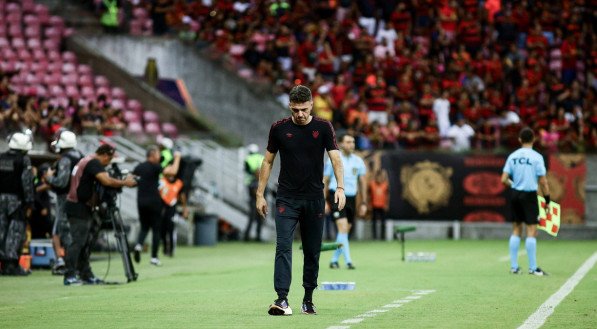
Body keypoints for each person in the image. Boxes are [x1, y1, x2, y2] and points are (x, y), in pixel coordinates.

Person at [256, 85, 346, 316]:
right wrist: (260, 194)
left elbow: (335, 158)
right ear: (290, 106)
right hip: (286, 198)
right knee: (283, 246)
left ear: (311, 104)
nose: (300, 114)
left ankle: (308, 299)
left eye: (304, 109)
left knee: (312, 251)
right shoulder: (278, 129)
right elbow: (267, 162)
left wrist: (341, 188)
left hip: (314, 199)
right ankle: (282, 299)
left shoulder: (324, 127)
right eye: (296, 110)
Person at [63, 144, 137, 285]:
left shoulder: (86, 160)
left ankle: (85, 274)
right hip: (78, 207)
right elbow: (106, 180)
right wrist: (124, 182)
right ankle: (69, 275)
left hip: (80, 206)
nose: (108, 164)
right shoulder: (93, 162)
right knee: (78, 242)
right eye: (108, 160)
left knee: (85, 243)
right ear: (104, 155)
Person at [501, 127, 550, 276]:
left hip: (516, 194)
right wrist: (547, 200)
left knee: (516, 229)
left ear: (520, 140)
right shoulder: (537, 157)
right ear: (534, 139)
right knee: (531, 230)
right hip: (529, 196)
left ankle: (514, 267)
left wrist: (514, 185)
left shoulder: (513, 156)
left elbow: (503, 179)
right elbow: (543, 181)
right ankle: (533, 268)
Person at [324, 134, 367, 270]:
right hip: (336, 195)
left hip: (351, 198)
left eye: (353, 142)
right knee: (342, 229)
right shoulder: (334, 159)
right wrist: (324, 200)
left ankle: (334, 260)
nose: (351, 144)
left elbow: (363, 182)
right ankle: (348, 261)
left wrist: (364, 202)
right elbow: (325, 180)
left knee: (344, 232)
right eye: (348, 142)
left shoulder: (358, 161)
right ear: (341, 144)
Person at [133, 145, 181, 266]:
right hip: (154, 201)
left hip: (140, 200)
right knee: (156, 229)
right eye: (158, 154)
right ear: (152, 155)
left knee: (144, 226)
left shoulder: (139, 167)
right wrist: (177, 158)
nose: (159, 156)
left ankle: (139, 245)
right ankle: (154, 257)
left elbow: (133, 180)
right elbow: (173, 172)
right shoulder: (155, 167)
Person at [46, 130, 83, 275]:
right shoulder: (80, 156)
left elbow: (61, 182)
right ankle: (75, 265)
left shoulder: (65, 159)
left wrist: (49, 178)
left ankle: (69, 265)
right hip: (80, 199)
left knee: (65, 233)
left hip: (66, 200)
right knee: (74, 233)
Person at [0, 132, 34, 276]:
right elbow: (26, 183)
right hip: (16, 201)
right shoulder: (23, 160)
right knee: (15, 232)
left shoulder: (1, 157)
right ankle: (11, 265)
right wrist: (29, 202)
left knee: (1, 230)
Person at [158, 170, 188, 257]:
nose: (171, 176)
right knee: (162, 230)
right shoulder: (162, 182)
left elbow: (182, 196)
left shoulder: (178, 183)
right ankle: (164, 247)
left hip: (172, 207)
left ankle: (171, 250)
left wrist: (184, 208)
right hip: (162, 207)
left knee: (171, 228)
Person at [244, 143, 265, 242]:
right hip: (262, 186)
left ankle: (246, 236)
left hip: (252, 186)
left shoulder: (248, 158)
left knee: (252, 212)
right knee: (261, 211)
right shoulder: (261, 157)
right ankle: (258, 236)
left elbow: (254, 171)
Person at [369, 169, 390, 240]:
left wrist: (386, 205)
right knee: (374, 222)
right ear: (376, 176)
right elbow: (369, 195)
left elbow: (388, 196)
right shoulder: (372, 184)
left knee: (383, 222)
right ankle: (374, 237)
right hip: (374, 206)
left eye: (382, 177)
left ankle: (382, 237)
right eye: (379, 176)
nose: (380, 178)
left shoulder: (385, 185)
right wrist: (369, 204)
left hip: (382, 206)